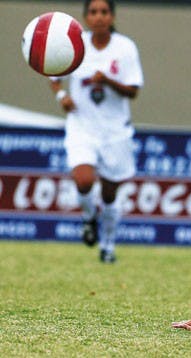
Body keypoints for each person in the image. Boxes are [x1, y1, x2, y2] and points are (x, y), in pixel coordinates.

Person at [49, 0, 144, 263]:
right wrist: (62, 97)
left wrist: (109, 81)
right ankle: (89, 217)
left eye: (104, 12)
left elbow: (133, 90)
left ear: (112, 16)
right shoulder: (75, 44)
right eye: (93, 12)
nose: (99, 17)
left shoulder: (124, 47)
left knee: (110, 193)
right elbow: (53, 73)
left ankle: (108, 245)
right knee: (83, 180)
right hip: (82, 127)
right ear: (86, 17)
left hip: (115, 132)